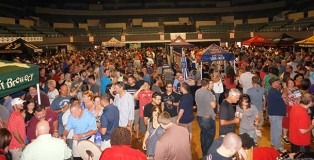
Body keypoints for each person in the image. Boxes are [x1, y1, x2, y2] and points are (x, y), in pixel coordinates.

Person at [195, 78, 216, 157]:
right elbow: (213, 106)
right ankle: (207, 152)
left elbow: (197, 103)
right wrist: (214, 99)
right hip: (207, 117)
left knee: (203, 133)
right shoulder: (209, 93)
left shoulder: (197, 91)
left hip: (199, 116)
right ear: (207, 85)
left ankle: (204, 151)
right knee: (210, 135)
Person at [267, 77, 286, 153]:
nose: (279, 83)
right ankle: (279, 146)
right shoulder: (273, 91)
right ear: (273, 83)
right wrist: (284, 87)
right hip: (276, 114)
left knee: (274, 130)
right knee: (278, 131)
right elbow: (284, 95)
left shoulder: (272, 91)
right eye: (278, 82)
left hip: (274, 113)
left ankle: (274, 143)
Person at [281, 77, 301, 144]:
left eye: (292, 82)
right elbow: (283, 98)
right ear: (287, 84)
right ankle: (285, 136)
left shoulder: (296, 89)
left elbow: (299, 98)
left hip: (296, 107)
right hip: (288, 107)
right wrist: (285, 88)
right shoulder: (285, 89)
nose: (291, 84)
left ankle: (292, 134)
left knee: (294, 121)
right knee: (286, 121)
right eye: (289, 83)